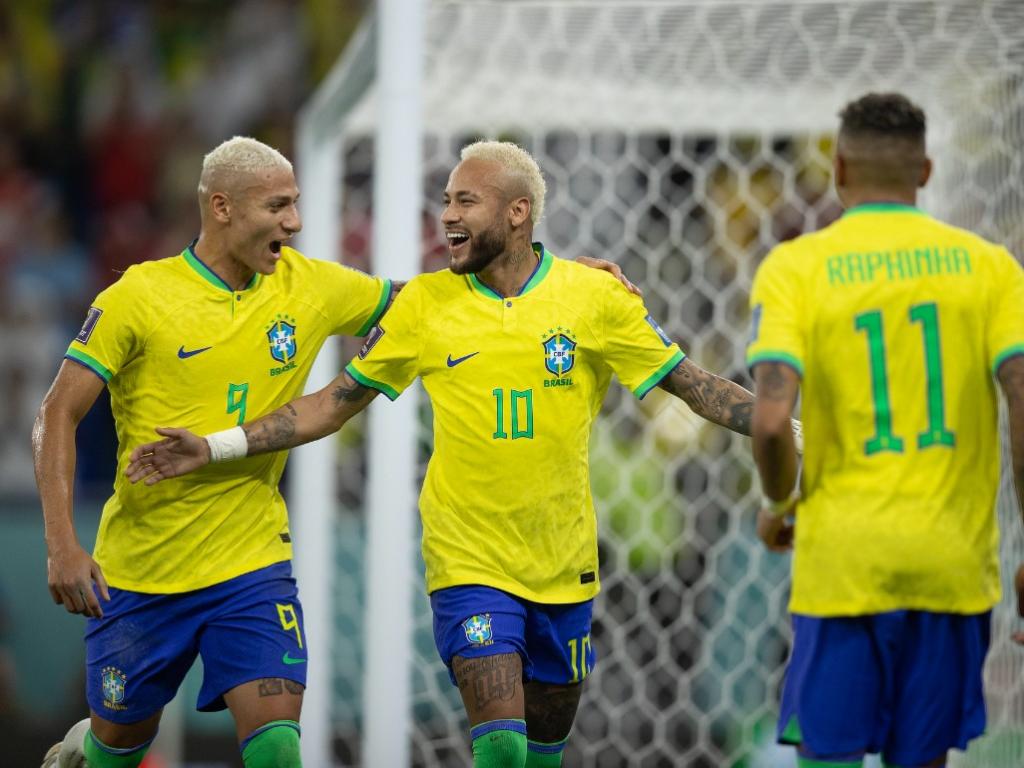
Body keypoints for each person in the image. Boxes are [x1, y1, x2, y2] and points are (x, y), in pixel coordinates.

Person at [124, 140, 797, 768]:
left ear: (517, 212)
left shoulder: (594, 299)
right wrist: (216, 446)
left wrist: (789, 430)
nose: (446, 214)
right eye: (445, 200)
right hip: (468, 564)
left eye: (465, 201)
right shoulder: (426, 304)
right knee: (500, 745)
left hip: (564, 565)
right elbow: (331, 403)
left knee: (541, 752)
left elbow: (692, 385)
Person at [33, 135, 639, 768]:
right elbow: (56, 414)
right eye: (277, 206)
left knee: (276, 747)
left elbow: (434, 300)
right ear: (221, 207)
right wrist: (61, 543)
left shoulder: (310, 286)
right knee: (117, 746)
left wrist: (552, 280)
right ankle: (88, 749)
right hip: (141, 569)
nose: (294, 222)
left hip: (250, 565)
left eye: (295, 204)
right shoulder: (138, 297)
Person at [747, 92, 1024, 768]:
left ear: (839, 169)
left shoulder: (796, 267)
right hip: (950, 569)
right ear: (925, 171)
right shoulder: (990, 268)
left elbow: (772, 420)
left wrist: (779, 503)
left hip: (843, 569)